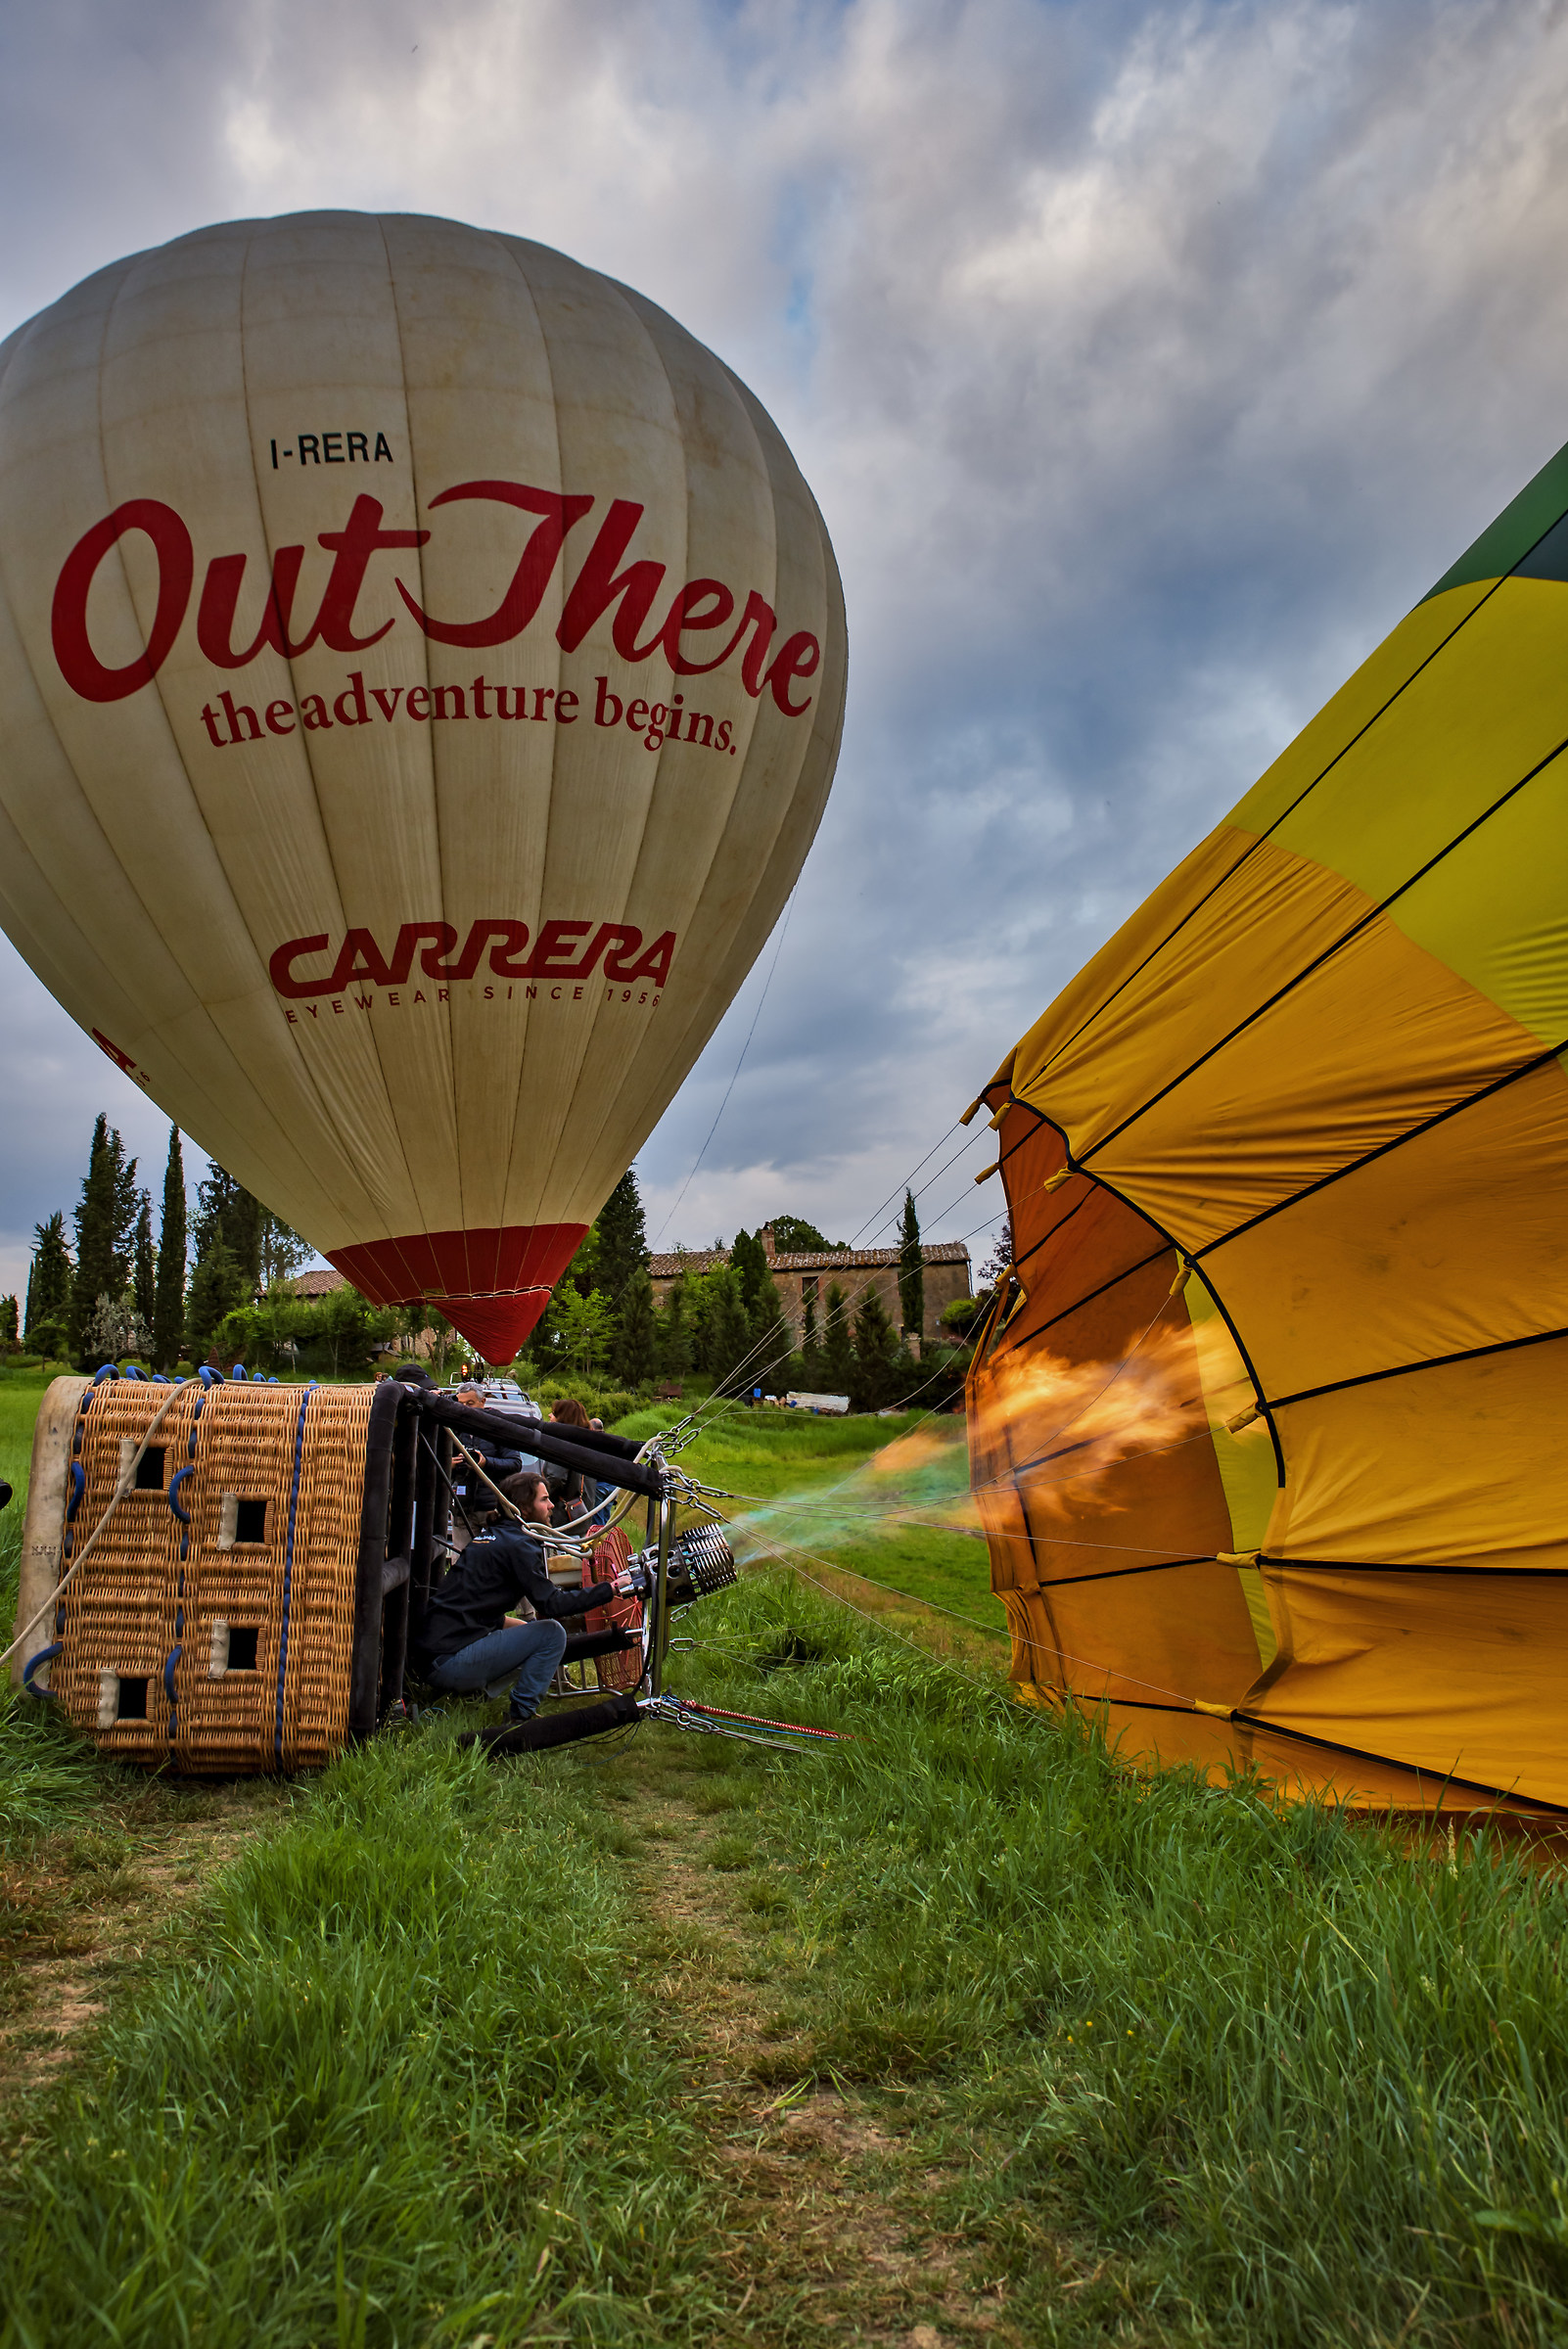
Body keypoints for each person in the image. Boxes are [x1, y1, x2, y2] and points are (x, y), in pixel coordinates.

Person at [414, 1473, 635, 1721]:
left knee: (533, 1632)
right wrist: (611, 1588)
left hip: (431, 1660)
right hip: (449, 1663)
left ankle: (474, 1697)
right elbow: (552, 1604)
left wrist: (526, 1630)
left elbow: (477, 1608)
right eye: (544, 1500)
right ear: (523, 1508)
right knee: (551, 1633)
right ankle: (520, 1717)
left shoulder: (492, 1537)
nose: (552, 1505)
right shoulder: (518, 1546)